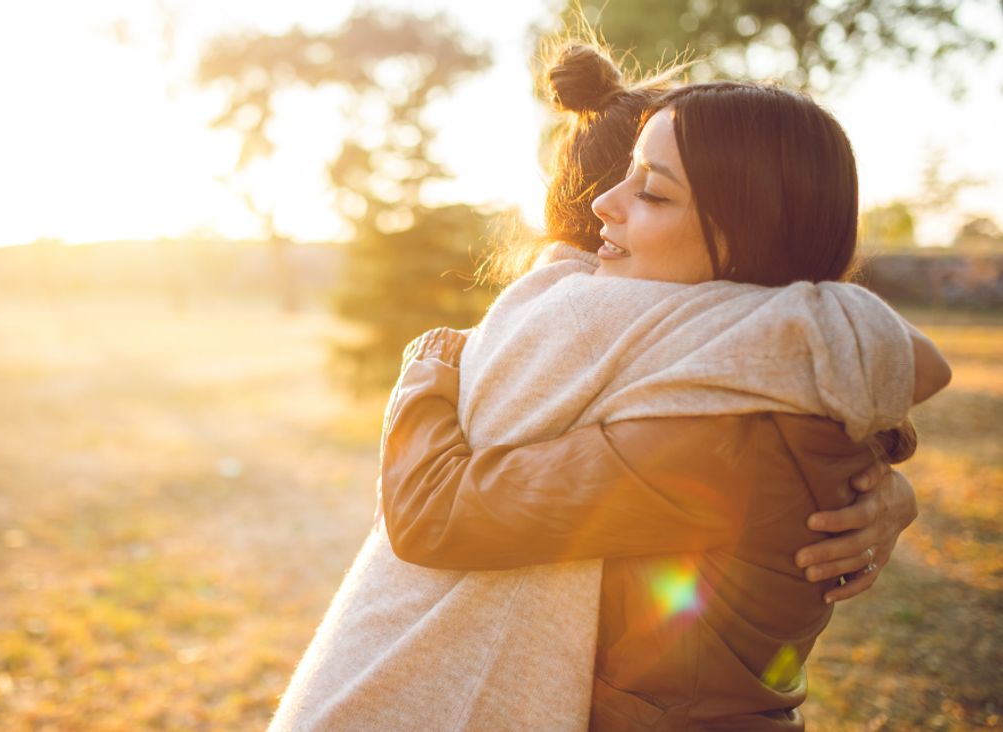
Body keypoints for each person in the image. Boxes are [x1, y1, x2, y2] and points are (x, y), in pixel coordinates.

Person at [269, 45, 943, 731]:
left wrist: (431, 360)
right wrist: (891, 474)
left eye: (651, 191)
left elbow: (433, 515)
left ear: (747, 235)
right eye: (623, 178)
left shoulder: (720, 439)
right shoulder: (736, 384)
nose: (602, 208)